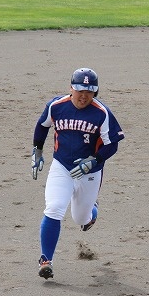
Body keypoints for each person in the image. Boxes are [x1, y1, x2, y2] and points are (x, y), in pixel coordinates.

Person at [31, 67, 125, 280]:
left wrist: (94, 160)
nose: (84, 96)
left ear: (95, 92)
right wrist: (37, 150)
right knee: (54, 208)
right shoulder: (56, 106)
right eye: (80, 90)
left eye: (89, 92)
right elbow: (42, 125)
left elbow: (112, 144)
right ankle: (46, 260)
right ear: (71, 88)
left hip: (90, 172)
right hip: (62, 166)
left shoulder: (101, 113)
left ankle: (92, 211)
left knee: (80, 218)